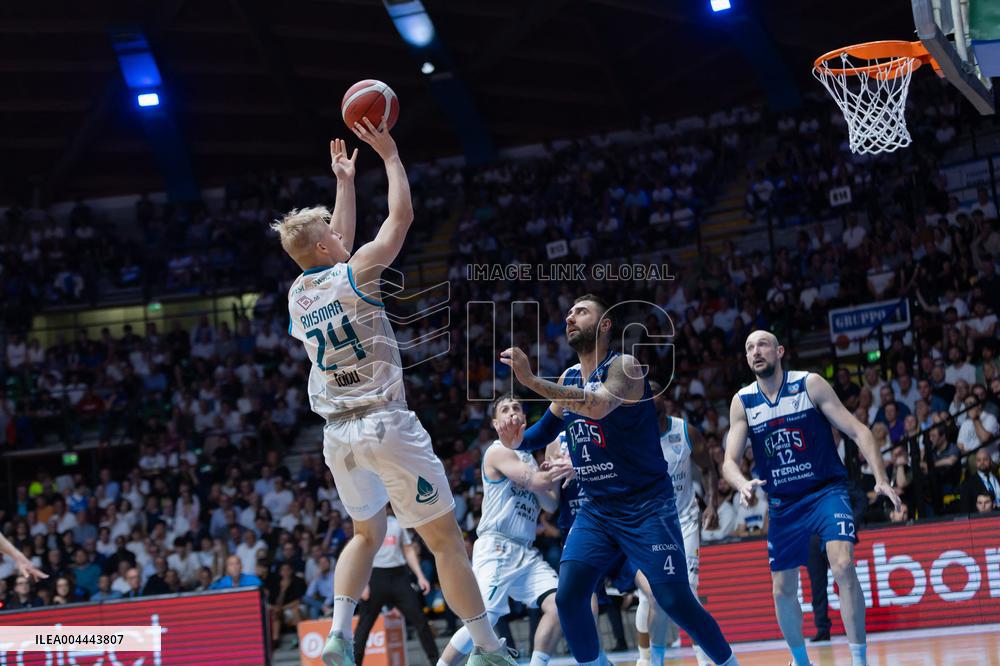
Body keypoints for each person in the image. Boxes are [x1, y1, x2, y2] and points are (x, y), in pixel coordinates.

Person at [274, 126, 515, 666]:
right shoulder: (358, 272)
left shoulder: (298, 295)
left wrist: (344, 182)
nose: (341, 235)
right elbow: (399, 219)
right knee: (445, 541)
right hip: (384, 422)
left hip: (337, 436)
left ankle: (339, 635)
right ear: (324, 247)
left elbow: (332, 240)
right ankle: (487, 649)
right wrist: (391, 155)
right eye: (332, 235)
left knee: (366, 533)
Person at [497, 294, 738, 666]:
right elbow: (543, 431)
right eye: (569, 312)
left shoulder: (625, 367)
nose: (570, 317)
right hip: (597, 509)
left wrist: (529, 380)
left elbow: (596, 406)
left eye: (581, 312)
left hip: (646, 506)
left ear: (605, 324)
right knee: (569, 597)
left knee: (673, 599)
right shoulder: (568, 377)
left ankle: (729, 663)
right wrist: (515, 440)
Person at [722, 330, 900, 666]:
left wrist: (880, 478)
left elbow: (859, 431)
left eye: (762, 344)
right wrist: (742, 483)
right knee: (782, 590)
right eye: (749, 347)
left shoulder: (809, 384)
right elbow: (729, 462)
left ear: (779, 351)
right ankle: (801, 662)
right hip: (783, 504)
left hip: (825, 492)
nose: (756, 351)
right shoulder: (742, 401)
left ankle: (859, 660)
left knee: (843, 565)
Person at [438, 396, 563, 666]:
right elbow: (536, 482)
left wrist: (549, 476)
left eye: (516, 408)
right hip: (497, 546)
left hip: (525, 551)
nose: (512, 413)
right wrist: (561, 466)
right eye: (505, 410)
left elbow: (550, 505)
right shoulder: (497, 452)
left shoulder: (530, 459)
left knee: (559, 604)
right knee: (484, 619)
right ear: (496, 424)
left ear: (524, 418)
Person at [632, 382, 720, 666]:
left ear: (664, 399)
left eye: (653, 394)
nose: (648, 399)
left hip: (685, 520)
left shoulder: (685, 431)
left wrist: (712, 504)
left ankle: (704, 660)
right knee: (649, 597)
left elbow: (708, 468)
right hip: (650, 526)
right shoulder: (631, 437)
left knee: (689, 590)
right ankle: (646, 659)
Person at [353, 507, 438, 665]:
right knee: (364, 626)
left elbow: (408, 550)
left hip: (399, 576)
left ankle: (436, 661)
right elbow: (360, 554)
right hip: (375, 577)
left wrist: (420, 576)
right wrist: (362, 583)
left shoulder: (397, 523)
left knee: (420, 620)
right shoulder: (365, 525)